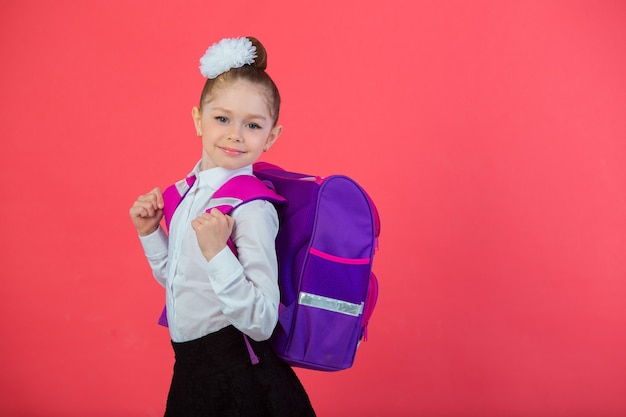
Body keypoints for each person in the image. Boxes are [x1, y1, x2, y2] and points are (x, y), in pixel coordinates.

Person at [129, 36, 316, 417]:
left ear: (271, 137)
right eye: (222, 118)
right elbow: (182, 281)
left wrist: (218, 254)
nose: (235, 134)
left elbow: (262, 322)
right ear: (198, 120)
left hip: (240, 382)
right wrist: (151, 233)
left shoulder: (253, 208)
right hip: (192, 372)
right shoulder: (184, 196)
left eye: (252, 124)